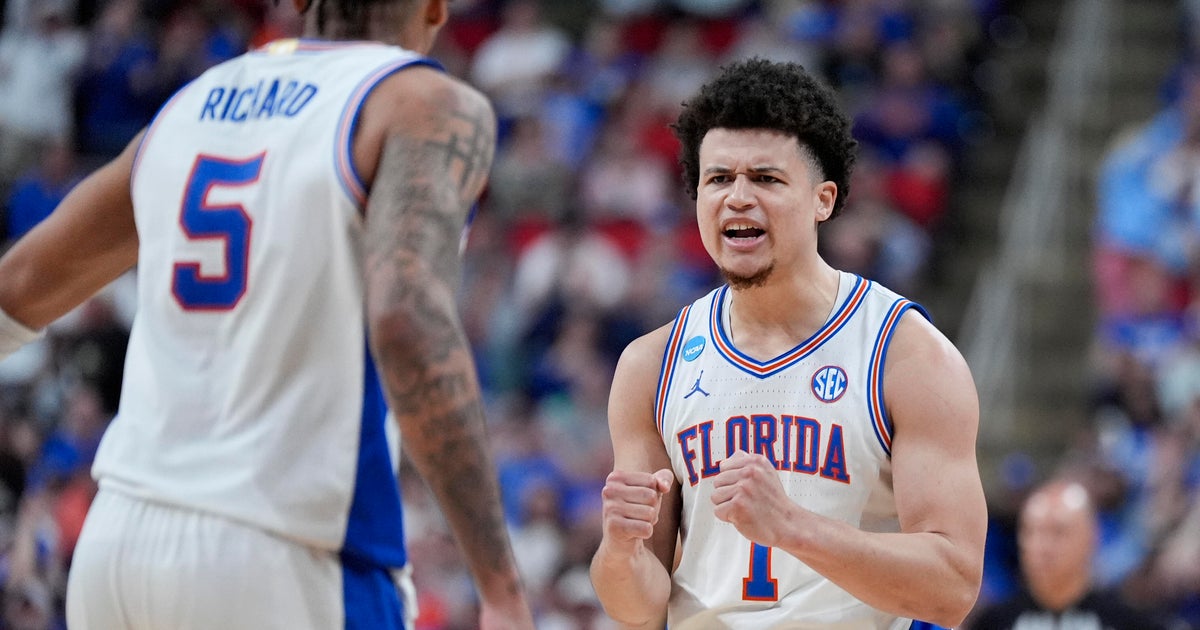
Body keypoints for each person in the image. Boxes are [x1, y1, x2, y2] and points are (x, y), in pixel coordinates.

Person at [0, 1, 535, 629]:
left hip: (116, 543)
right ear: (437, 6)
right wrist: (499, 584)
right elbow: (406, 322)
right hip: (283, 549)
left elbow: (21, 285)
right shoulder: (426, 103)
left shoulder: (190, 105)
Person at [589, 57, 987, 629]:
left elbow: (952, 586)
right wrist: (621, 551)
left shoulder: (906, 353)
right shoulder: (651, 364)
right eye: (718, 178)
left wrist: (791, 527)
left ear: (823, 199)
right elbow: (640, 608)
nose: (738, 198)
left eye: (766, 179)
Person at [966, 478, 1172, 629]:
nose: (1042, 546)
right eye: (1031, 531)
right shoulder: (992, 622)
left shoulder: (1128, 621)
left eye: (1058, 532)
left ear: (1092, 537)